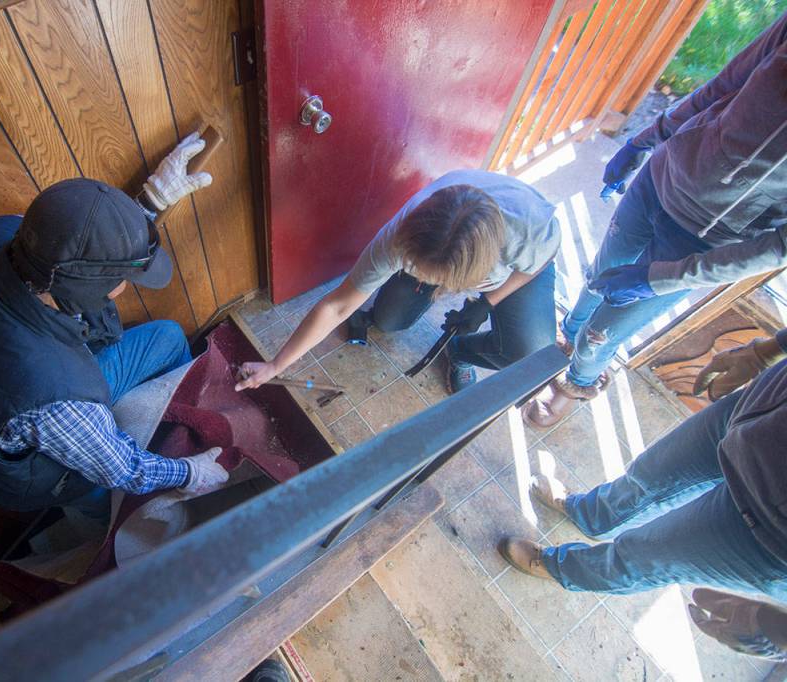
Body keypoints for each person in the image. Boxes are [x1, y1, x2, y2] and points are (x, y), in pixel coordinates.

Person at [0, 133, 227, 518]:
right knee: (103, 497)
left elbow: (76, 245)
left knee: (169, 337)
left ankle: (167, 424)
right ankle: (98, 525)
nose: (124, 289)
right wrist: (190, 471)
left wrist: (150, 203)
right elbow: (126, 470)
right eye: (121, 282)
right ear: (86, 293)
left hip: (7, 378)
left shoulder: (0, 235)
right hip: (31, 467)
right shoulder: (57, 400)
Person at [523, 11, 787, 428]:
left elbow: (780, 248)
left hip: (705, 241)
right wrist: (644, 141)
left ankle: (575, 382)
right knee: (601, 272)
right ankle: (566, 338)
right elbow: (726, 84)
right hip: (658, 181)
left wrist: (660, 279)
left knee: (603, 334)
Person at [499, 330, 787, 602]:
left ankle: (560, 567)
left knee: (648, 556)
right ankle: (591, 514)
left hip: (770, 530)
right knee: (650, 474)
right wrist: (767, 350)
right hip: (760, 408)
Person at [236, 170, 560, 394]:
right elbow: (337, 307)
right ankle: (408, 294)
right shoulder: (400, 237)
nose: (428, 284)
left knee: (529, 351)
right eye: (420, 271)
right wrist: (275, 365)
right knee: (388, 322)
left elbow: (536, 265)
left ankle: (461, 352)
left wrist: (488, 302)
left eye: (434, 281)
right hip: (451, 257)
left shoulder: (530, 229)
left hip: (512, 271)